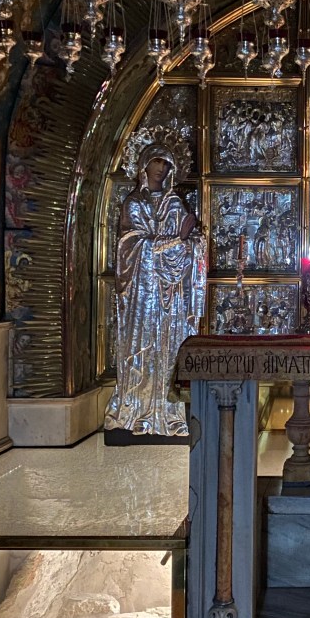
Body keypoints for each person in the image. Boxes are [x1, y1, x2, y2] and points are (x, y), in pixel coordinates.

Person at [104, 139, 206, 437]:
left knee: (171, 349)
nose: (161, 168)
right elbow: (130, 246)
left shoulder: (174, 204)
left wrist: (193, 242)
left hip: (171, 295)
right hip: (142, 294)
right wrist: (176, 240)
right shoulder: (134, 204)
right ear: (144, 166)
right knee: (143, 348)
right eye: (156, 162)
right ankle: (136, 408)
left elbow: (188, 246)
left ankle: (169, 411)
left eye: (165, 164)